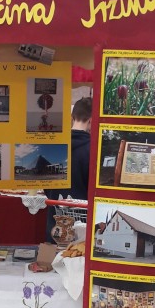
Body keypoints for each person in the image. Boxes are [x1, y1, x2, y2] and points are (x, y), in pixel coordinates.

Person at [45, 97, 92, 241]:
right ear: (92, 120)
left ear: (72, 117)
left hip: (55, 223)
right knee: (76, 254)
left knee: (54, 254)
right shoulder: (93, 149)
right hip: (82, 228)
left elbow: (45, 185)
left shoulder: (55, 144)